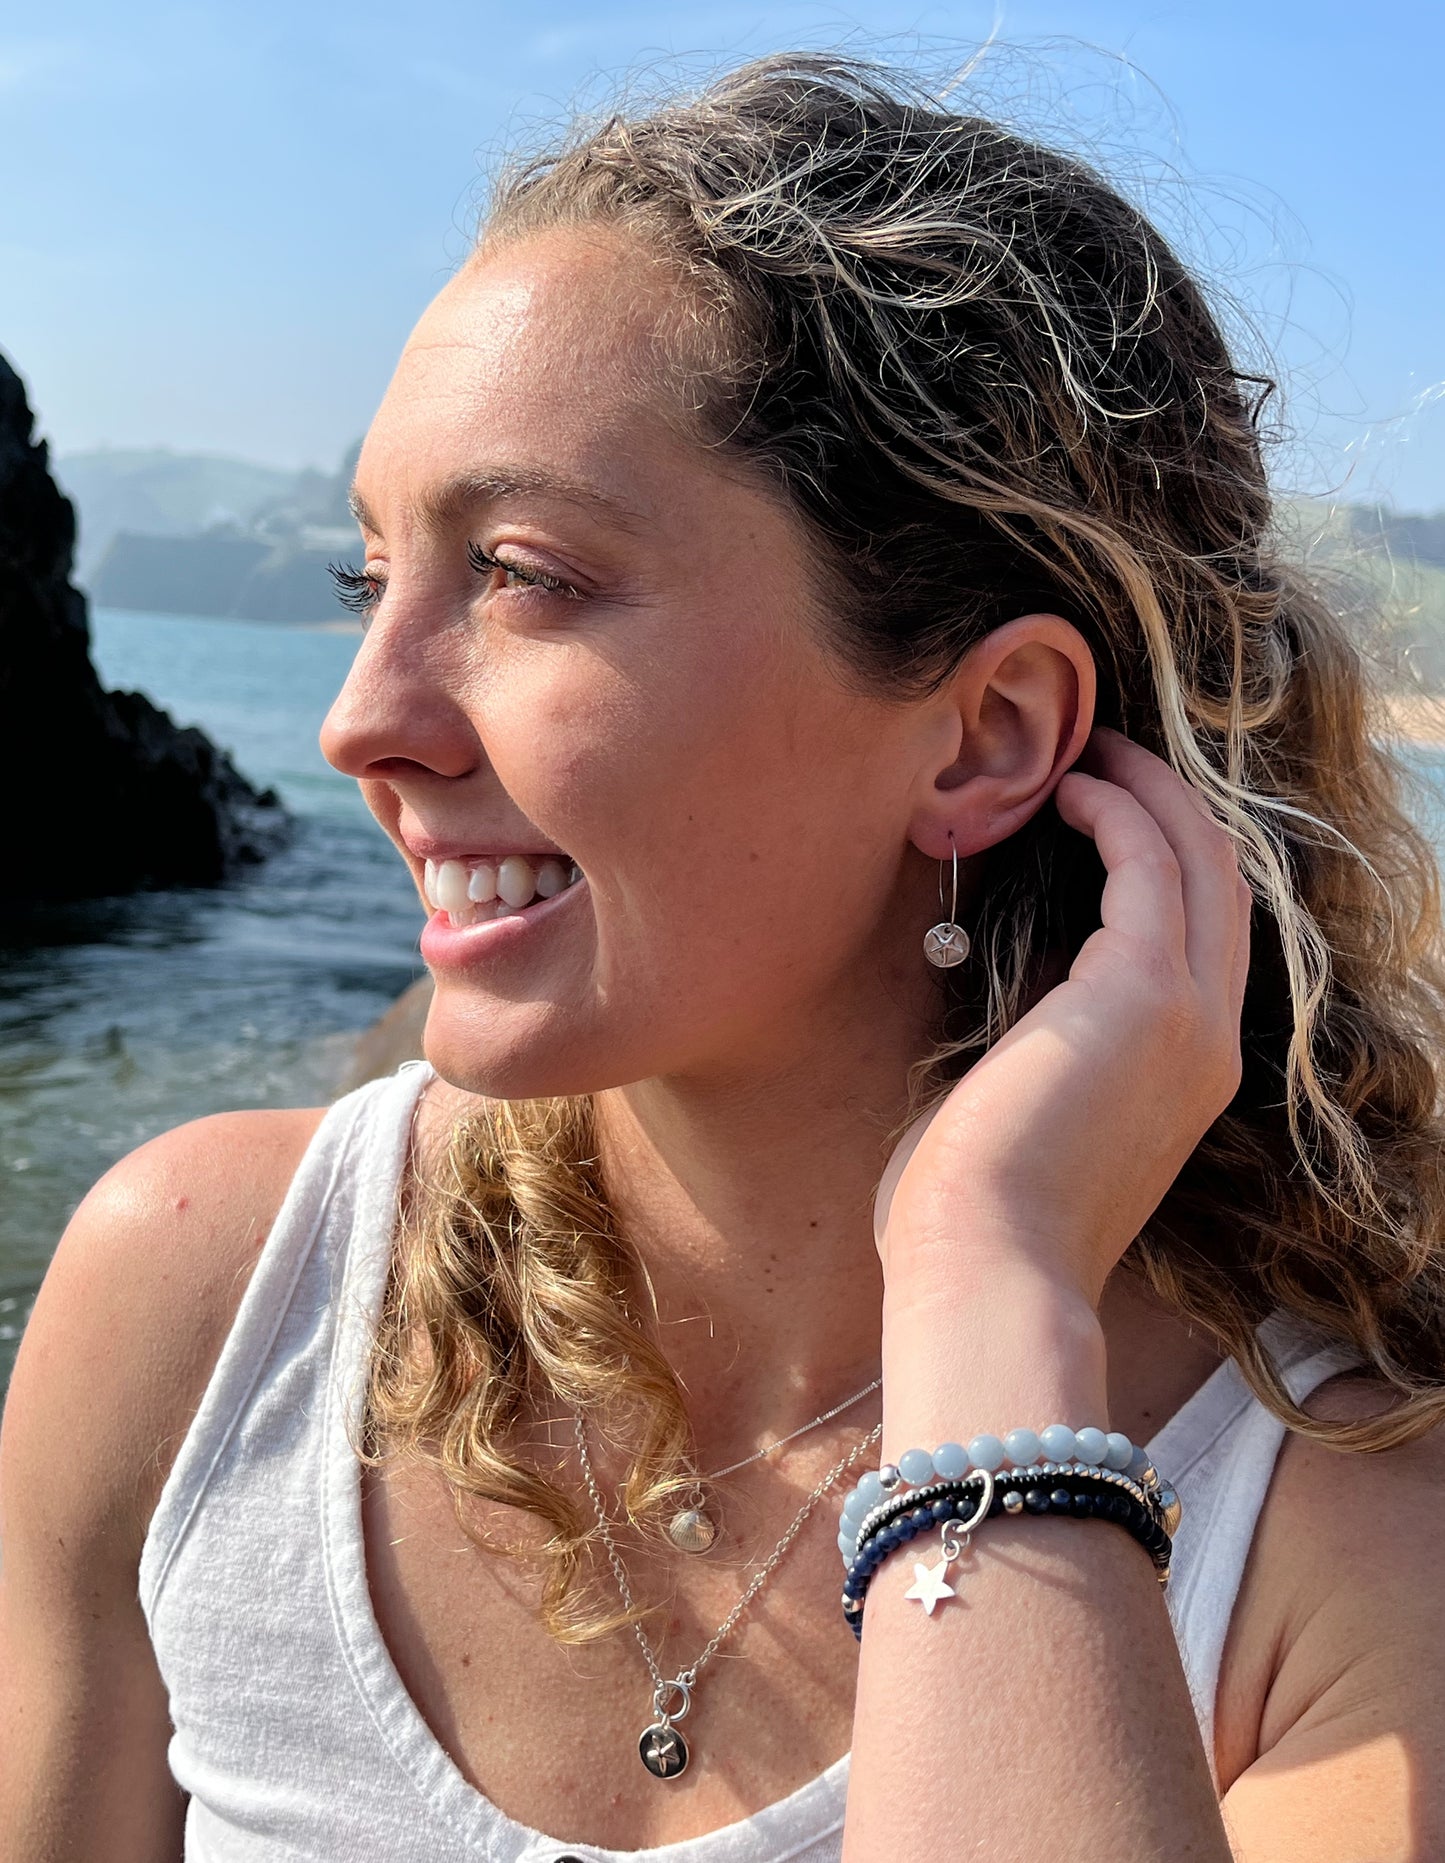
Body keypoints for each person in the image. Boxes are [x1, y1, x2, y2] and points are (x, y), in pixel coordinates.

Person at [4, 51, 1444, 1862]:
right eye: (372, 581)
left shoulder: (1345, 1538)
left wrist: (990, 1291)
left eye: (521, 573)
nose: (358, 723)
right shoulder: (204, 1306)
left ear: (987, 733)